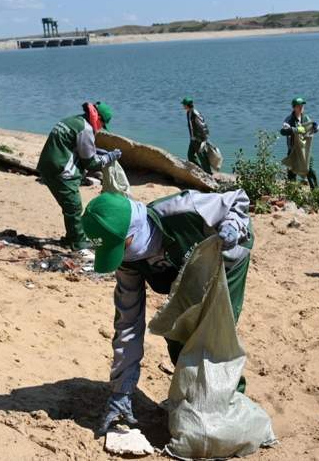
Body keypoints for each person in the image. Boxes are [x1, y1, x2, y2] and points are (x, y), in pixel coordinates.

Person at [82, 189, 254, 432]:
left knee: (213, 334)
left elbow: (238, 199)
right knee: (176, 333)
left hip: (228, 258)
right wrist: (122, 390)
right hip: (186, 273)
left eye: (121, 247)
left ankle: (229, 406)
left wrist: (232, 227)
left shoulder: (182, 209)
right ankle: (195, 400)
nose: (122, 257)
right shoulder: (128, 262)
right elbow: (128, 325)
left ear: (134, 229)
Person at [36, 101, 121, 259]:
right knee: (74, 207)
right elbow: (91, 163)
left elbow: (75, 145)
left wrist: (100, 151)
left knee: (69, 207)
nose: (101, 128)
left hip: (47, 167)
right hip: (61, 171)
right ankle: (79, 247)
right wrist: (109, 157)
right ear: (98, 118)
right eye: (102, 125)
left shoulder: (73, 121)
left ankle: (72, 238)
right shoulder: (86, 129)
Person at [280, 97, 319, 189]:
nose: (301, 107)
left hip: (305, 149)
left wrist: (315, 127)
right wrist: (295, 129)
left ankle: (316, 191)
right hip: (293, 149)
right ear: (294, 107)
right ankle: (291, 192)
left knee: (310, 170)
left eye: (302, 105)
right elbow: (283, 131)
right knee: (292, 171)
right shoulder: (289, 119)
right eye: (299, 106)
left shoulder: (306, 118)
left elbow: (313, 129)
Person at [181, 97, 212, 174]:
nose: (183, 106)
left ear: (187, 105)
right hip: (193, 139)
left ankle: (208, 173)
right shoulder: (188, 113)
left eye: (184, 104)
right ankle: (200, 170)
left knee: (202, 157)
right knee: (190, 155)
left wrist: (204, 138)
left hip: (199, 139)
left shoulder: (195, 113)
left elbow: (202, 125)